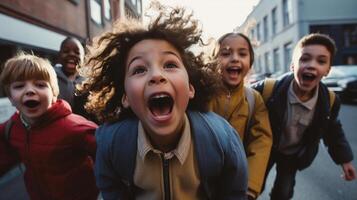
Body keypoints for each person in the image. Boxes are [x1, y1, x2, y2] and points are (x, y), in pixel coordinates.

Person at [78, 4, 248, 200]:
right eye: (139, 69)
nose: (156, 75)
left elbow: (234, 193)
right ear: (125, 96)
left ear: (191, 87)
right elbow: (111, 190)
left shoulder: (221, 139)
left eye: (169, 64)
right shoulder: (111, 143)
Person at [253, 33, 356, 200]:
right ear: (293, 66)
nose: (311, 66)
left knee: (283, 192)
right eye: (305, 59)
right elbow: (240, 98)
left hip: (293, 155)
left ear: (328, 70)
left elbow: (333, 132)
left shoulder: (329, 101)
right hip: (266, 149)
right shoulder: (269, 89)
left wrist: (344, 160)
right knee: (253, 185)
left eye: (321, 61)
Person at [0, 53, 98, 200]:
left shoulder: (75, 128)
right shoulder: (11, 127)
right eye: (19, 86)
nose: (29, 90)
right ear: (10, 98)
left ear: (53, 94)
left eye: (40, 85)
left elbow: (111, 157)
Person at [209, 32, 272, 200]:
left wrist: (250, 186)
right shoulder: (202, 93)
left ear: (250, 62)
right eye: (226, 53)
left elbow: (261, 141)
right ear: (214, 60)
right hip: (200, 176)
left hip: (235, 179)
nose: (235, 58)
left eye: (242, 54)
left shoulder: (253, 99)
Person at [54, 36, 88, 115]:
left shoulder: (88, 81)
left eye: (77, 52)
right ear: (59, 55)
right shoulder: (51, 78)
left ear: (83, 57)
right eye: (66, 51)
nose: (72, 54)